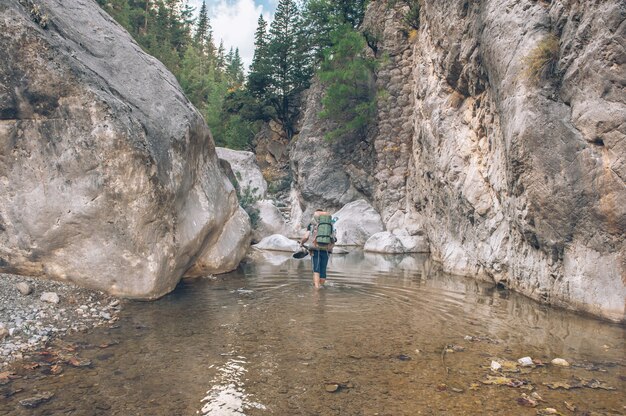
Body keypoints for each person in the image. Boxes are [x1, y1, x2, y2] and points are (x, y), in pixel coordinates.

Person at [300, 209, 336, 289]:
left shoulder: (313, 223)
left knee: (316, 270)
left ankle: (317, 290)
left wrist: (301, 243)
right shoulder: (330, 223)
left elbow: (306, 236)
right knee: (323, 270)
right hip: (327, 249)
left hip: (315, 249)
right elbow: (333, 237)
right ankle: (322, 287)